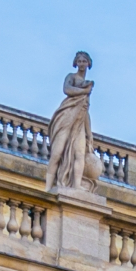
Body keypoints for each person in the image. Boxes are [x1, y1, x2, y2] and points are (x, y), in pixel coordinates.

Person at [46, 52, 100, 194]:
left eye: (84, 61)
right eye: (79, 61)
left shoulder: (86, 90)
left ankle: (76, 185)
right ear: (76, 63)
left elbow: (85, 111)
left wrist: (89, 133)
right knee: (57, 153)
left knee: (80, 153)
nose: (82, 64)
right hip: (67, 118)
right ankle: (47, 187)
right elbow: (67, 89)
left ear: (89, 64)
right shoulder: (71, 77)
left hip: (79, 123)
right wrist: (85, 91)